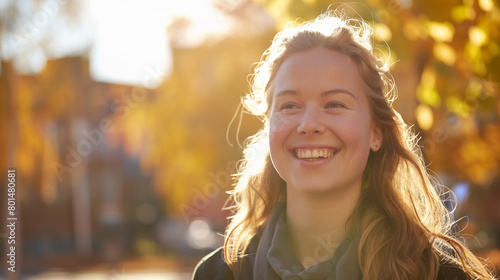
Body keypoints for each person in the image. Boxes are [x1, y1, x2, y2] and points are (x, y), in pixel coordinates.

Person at [193, 8, 495, 280]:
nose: (309, 124)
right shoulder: (219, 274)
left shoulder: (435, 274)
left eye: (335, 104)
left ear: (376, 132)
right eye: (289, 106)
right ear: (269, 126)